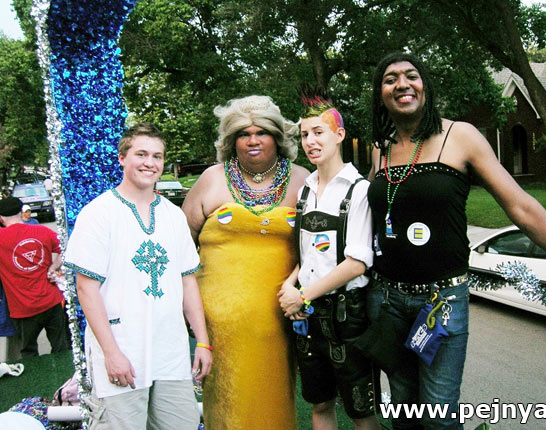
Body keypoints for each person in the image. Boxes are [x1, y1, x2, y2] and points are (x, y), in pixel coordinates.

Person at [367, 52, 546, 430]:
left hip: (441, 302)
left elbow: (522, 208)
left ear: (426, 86)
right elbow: (368, 218)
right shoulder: (380, 147)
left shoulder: (460, 136)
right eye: (390, 79)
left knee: (439, 414)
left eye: (411, 75)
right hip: (387, 299)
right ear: (380, 94)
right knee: (403, 407)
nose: (402, 84)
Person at [63, 123, 212, 430]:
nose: (149, 163)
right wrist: (111, 354)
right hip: (122, 351)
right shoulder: (98, 213)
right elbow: (86, 289)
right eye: (141, 154)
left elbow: (188, 282)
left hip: (170, 352)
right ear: (122, 158)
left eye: (157, 156)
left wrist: (203, 342)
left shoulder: (173, 215)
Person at [182, 95, 309, 430]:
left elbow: (319, 248)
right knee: (229, 405)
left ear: (277, 137)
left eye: (261, 132)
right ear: (231, 140)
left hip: (280, 316)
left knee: (273, 397)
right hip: (220, 322)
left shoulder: (303, 180)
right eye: (243, 133)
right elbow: (180, 246)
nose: (253, 140)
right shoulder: (211, 178)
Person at [278, 84, 379, 430]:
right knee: (320, 403)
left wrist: (302, 295)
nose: (310, 141)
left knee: (360, 410)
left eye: (318, 132)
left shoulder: (359, 190)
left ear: (339, 135)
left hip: (347, 317)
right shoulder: (305, 189)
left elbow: (357, 262)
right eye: (305, 134)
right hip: (308, 318)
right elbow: (309, 255)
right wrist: (290, 284)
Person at [0, 196, 67, 357]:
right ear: (21, 213)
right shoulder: (42, 231)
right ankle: (64, 373)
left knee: (28, 352)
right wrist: (54, 267)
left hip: (22, 308)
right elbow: (65, 248)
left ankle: (34, 374)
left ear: (1, 218)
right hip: (51, 301)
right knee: (61, 348)